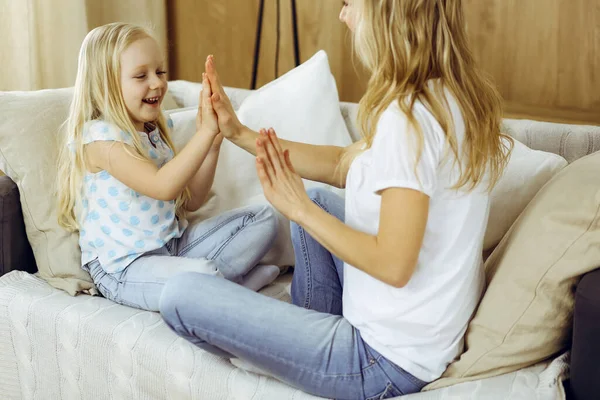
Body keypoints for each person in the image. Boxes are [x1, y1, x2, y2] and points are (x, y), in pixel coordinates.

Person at [159, 0, 512, 398]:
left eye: (349, 4)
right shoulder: (447, 95)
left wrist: (299, 210)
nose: (343, 15)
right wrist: (239, 132)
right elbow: (346, 163)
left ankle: (294, 356)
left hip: (383, 361)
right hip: (421, 339)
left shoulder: (408, 119)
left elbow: (395, 265)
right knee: (321, 199)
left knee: (179, 295)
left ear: (384, 12)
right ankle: (303, 334)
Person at [56, 22, 281, 312]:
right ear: (105, 86)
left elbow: (193, 200)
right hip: (124, 269)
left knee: (264, 219)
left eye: (160, 72)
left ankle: (222, 285)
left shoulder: (154, 133)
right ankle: (233, 286)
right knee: (201, 275)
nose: (157, 83)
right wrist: (202, 133)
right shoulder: (101, 141)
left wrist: (212, 141)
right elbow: (163, 186)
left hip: (172, 246)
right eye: (141, 75)